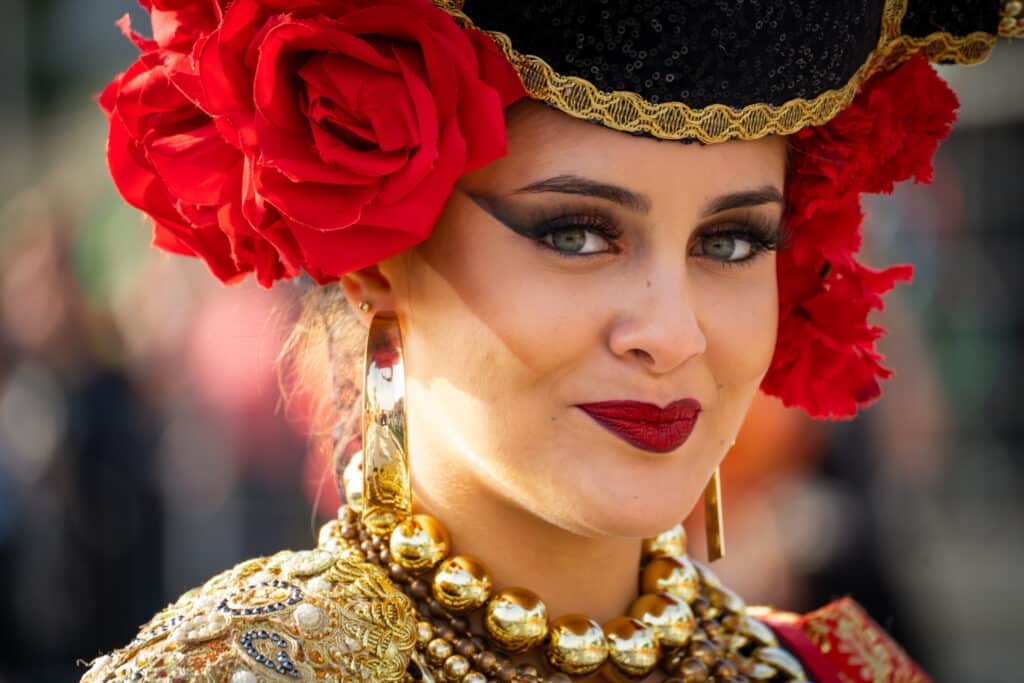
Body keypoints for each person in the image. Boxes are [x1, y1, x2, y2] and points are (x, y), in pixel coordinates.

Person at [82, 1, 1021, 681]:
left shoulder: (833, 671)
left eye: (730, 242)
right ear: (376, 254)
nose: (672, 330)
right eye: (577, 232)